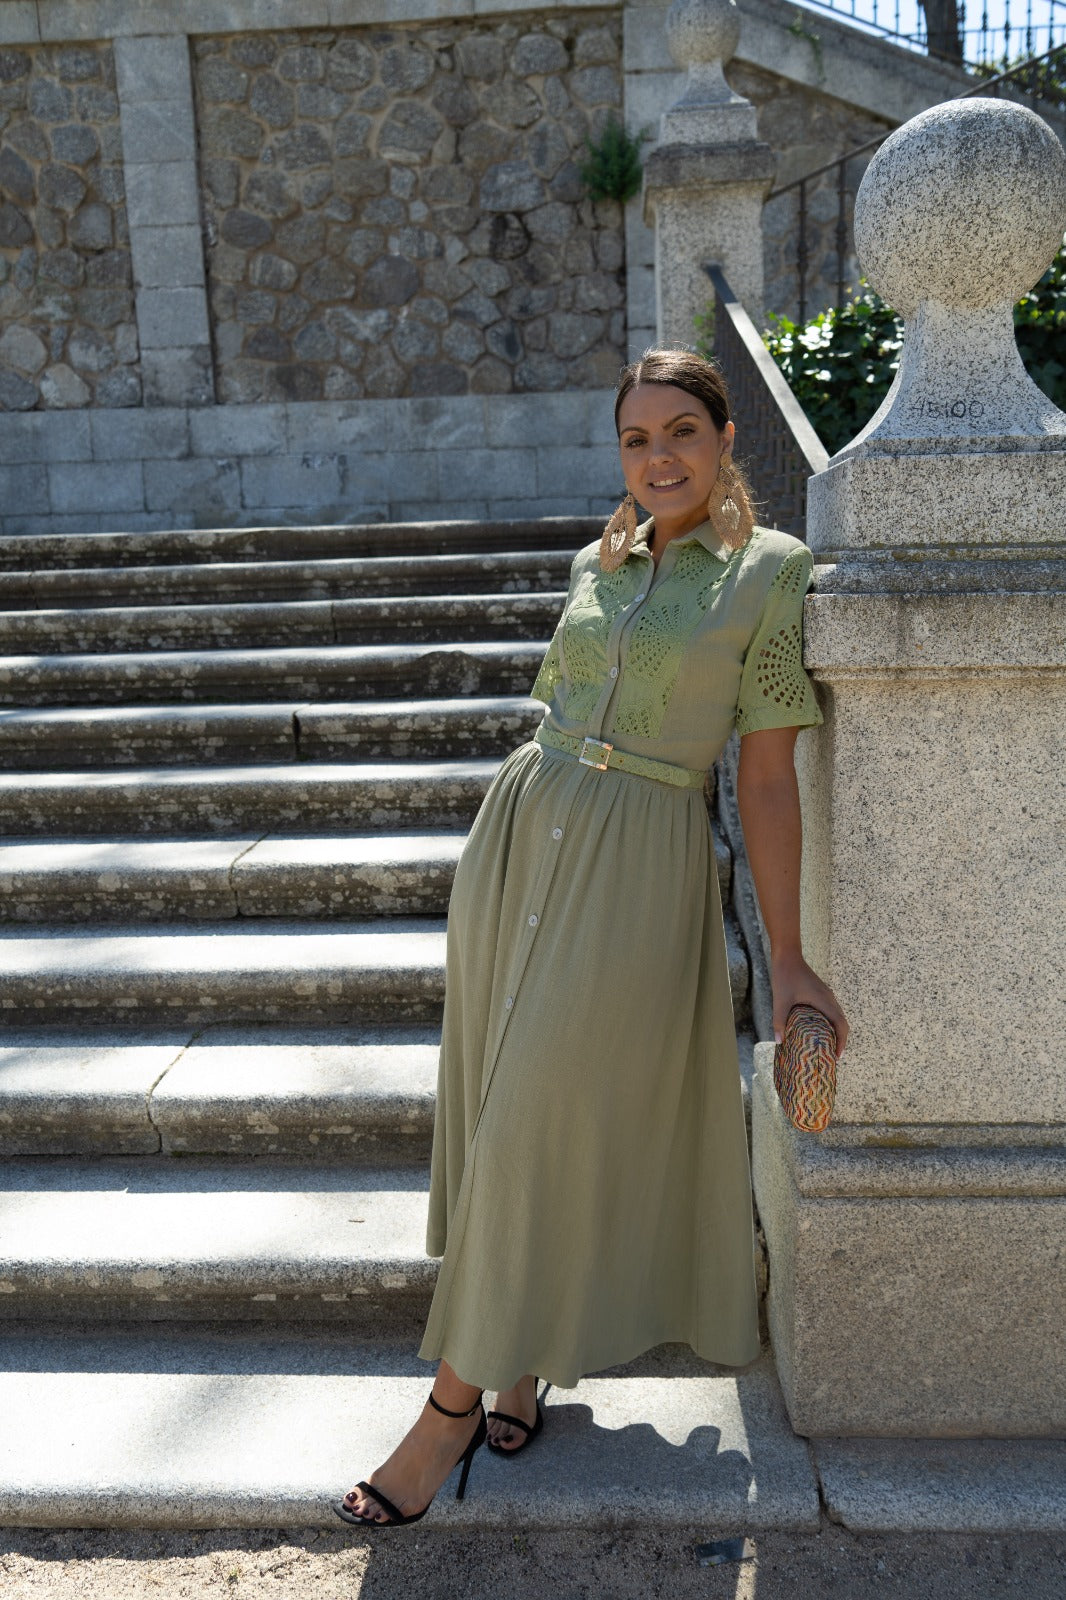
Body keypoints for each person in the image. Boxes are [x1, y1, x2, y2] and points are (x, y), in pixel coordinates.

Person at [335, 347, 849, 1529]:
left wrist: (789, 954)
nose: (657, 457)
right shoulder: (595, 560)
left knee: (537, 1115)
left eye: (681, 432)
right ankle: (517, 1359)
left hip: (638, 860)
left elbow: (767, 778)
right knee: (496, 1104)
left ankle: (447, 1413)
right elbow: (558, 708)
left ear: (725, 440)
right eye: (635, 439)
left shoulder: (771, 572)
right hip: (522, 835)